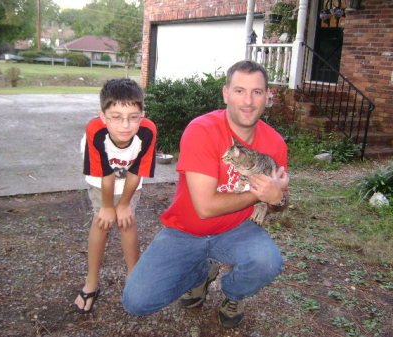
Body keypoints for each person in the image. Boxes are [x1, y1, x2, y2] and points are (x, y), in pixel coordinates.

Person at [122, 60, 289, 328]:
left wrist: (277, 198)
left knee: (267, 261)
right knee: (137, 302)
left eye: (257, 92)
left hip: (235, 229)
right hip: (186, 230)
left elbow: (279, 201)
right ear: (225, 93)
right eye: (239, 91)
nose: (248, 101)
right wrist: (260, 195)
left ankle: (234, 294)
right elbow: (205, 207)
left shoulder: (275, 144)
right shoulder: (202, 130)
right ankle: (201, 272)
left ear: (268, 96)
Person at [74, 78, 157, 313]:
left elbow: (136, 172)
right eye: (116, 117)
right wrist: (109, 206)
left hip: (130, 182)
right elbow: (106, 175)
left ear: (142, 114)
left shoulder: (148, 130)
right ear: (103, 116)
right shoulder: (95, 130)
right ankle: (92, 281)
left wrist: (124, 204)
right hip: (101, 181)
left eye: (133, 117)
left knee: (127, 221)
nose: (125, 125)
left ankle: (134, 278)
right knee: (101, 222)